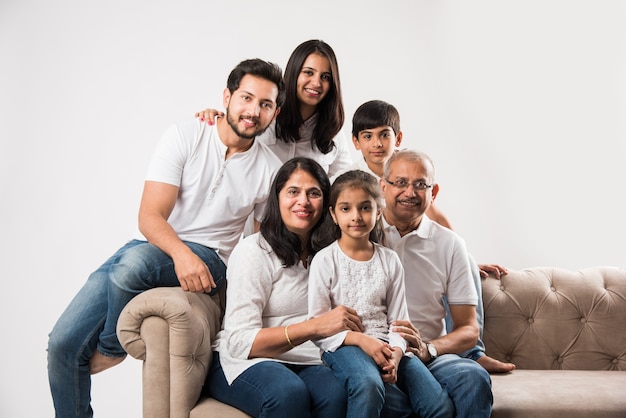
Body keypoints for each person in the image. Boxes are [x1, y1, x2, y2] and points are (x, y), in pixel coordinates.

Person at [47, 58, 286, 418]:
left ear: (275, 111)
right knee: (62, 345)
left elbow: (257, 242)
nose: (253, 111)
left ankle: (113, 347)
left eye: (265, 104)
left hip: (212, 259)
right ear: (227, 96)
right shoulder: (185, 134)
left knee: (133, 266)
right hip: (150, 246)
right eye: (247, 98)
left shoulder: (269, 168)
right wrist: (180, 255)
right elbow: (149, 216)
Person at [347, 100, 514, 373]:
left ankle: (472, 352)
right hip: (376, 241)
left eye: (384, 135)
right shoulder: (354, 177)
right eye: (368, 136)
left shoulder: (408, 167)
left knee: (465, 259)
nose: (376, 143)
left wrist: (458, 254)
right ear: (357, 142)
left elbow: (435, 216)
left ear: (397, 138)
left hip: (414, 247)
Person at [204, 157, 365, 417]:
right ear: (277, 198)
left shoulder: (329, 254)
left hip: (307, 358)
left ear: (326, 204)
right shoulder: (253, 251)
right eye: (293, 192)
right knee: (288, 392)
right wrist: (314, 326)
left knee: (338, 391)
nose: (303, 201)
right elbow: (238, 342)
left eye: (314, 193)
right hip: (243, 360)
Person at [308, 170, 454, 418]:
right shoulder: (325, 260)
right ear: (333, 214)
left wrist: (396, 353)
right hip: (345, 346)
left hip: (388, 345)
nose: (356, 216)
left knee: (438, 404)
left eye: (365, 208)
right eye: (346, 209)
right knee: (368, 385)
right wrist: (362, 340)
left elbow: (399, 321)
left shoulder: (389, 259)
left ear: (378, 212)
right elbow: (318, 328)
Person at [380, 149, 494, 417]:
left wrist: (428, 349)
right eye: (400, 183)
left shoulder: (450, 244)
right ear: (383, 186)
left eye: (420, 184)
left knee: (472, 378)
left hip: (431, 356)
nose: (410, 192)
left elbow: (468, 328)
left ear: (434, 192)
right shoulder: (360, 234)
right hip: (377, 355)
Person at [195, 39, 352, 178]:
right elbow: (231, 141)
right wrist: (215, 119)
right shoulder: (264, 115)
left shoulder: (333, 132)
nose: (316, 83)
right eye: (308, 73)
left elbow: (344, 183)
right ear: (294, 72)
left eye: (325, 77)